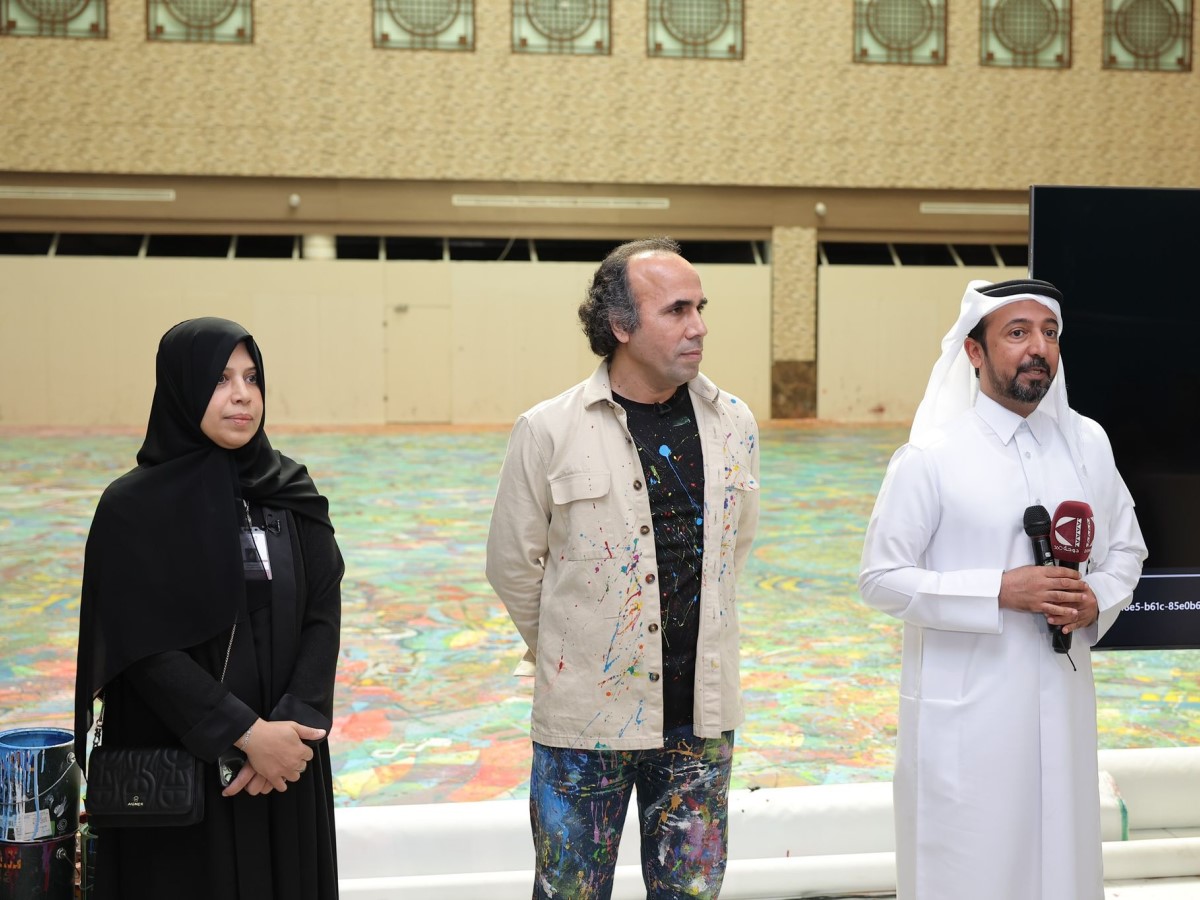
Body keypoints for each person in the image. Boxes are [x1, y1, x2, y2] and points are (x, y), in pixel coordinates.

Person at [486, 237, 760, 899]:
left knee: (691, 892)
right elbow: (512, 564)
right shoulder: (548, 429)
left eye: (699, 308)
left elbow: (734, 549)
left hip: (699, 721)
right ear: (621, 326)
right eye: (676, 310)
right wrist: (575, 650)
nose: (698, 326)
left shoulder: (734, 423)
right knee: (571, 892)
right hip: (585, 722)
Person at [858, 278, 1147, 900]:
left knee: (1062, 865)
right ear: (974, 352)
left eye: (1049, 333)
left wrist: (1096, 597)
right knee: (971, 868)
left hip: (1063, 707)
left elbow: (1127, 549)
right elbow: (880, 578)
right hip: (969, 715)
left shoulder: (1088, 444)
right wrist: (998, 591)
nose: (1038, 347)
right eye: (1017, 333)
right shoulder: (931, 456)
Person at [74, 317, 343, 899]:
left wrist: (293, 728)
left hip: (286, 762)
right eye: (220, 379)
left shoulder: (289, 490)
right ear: (182, 387)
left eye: (252, 377)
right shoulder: (132, 509)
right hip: (185, 769)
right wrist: (244, 733)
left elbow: (323, 609)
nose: (242, 395)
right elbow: (139, 645)